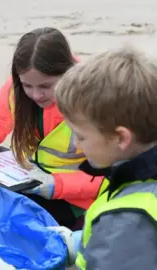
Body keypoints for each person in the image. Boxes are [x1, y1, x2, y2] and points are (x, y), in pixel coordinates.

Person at [0, 27, 106, 228]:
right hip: (34, 185)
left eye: (46, 86)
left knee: (6, 223)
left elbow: (114, 175)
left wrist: (57, 185)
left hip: (82, 203)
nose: (36, 94)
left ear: (68, 72)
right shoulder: (17, 86)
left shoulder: (94, 98)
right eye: (27, 86)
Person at [49, 46, 157, 269]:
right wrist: (80, 242)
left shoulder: (128, 221)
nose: (77, 146)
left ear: (121, 137)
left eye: (80, 136)